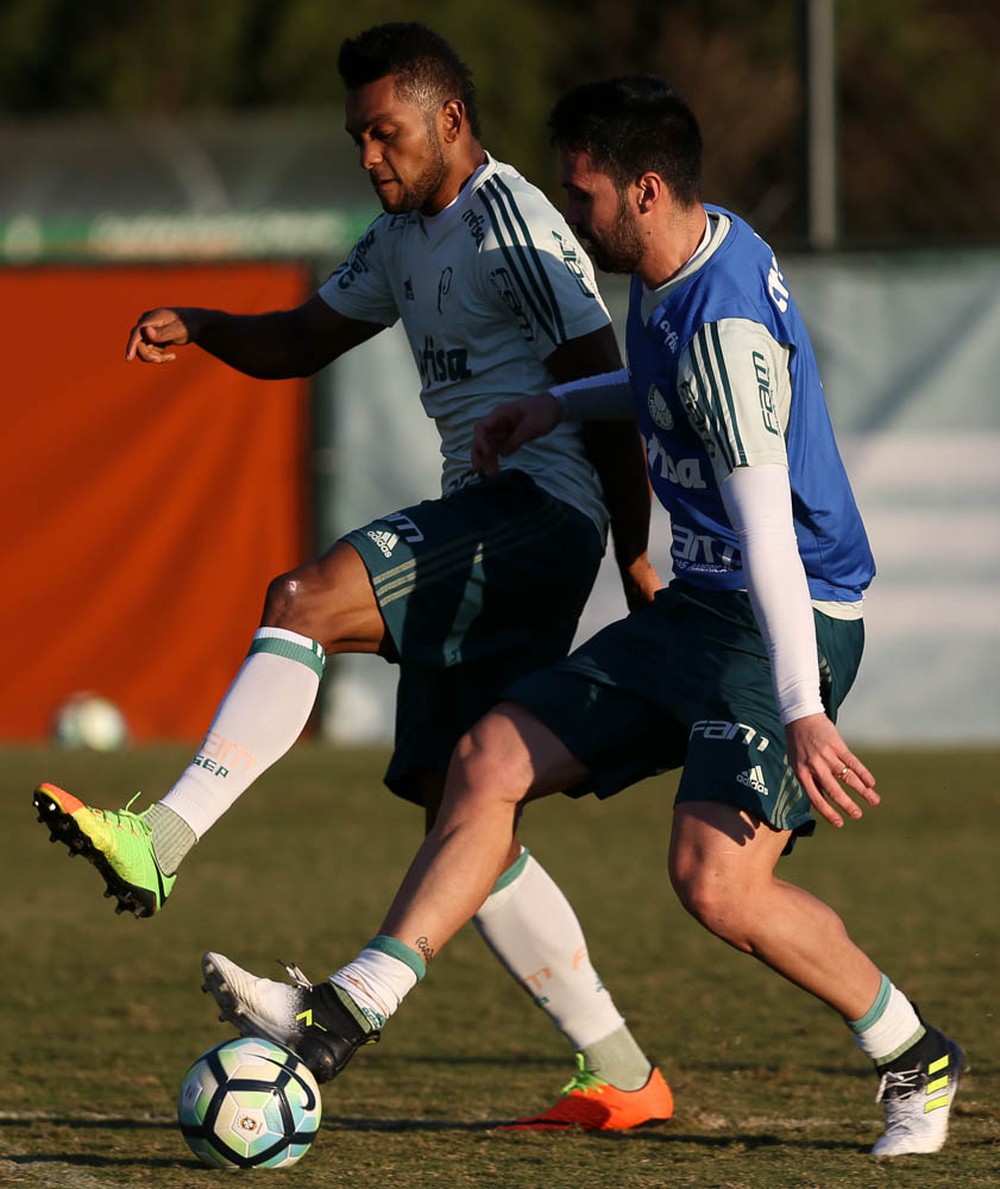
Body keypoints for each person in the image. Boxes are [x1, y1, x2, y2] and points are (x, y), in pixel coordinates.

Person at [200, 76, 964, 1157]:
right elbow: (657, 385)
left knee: (716, 884)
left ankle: (914, 1054)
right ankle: (341, 1016)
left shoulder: (721, 329)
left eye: (583, 193)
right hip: (699, 610)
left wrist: (799, 705)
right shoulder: (686, 255)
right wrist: (557, 402)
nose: (570, 213)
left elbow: (768, 535)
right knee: (486, 757)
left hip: (772, 622)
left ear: (644, 191)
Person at [32, 31, 674, 1132]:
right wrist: (205, 323)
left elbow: (598, 387)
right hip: (502, 526)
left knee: (303, 600)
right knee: (462, 815)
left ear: (450, 122)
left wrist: (631, 552)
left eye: (387, 131)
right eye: (357, 137)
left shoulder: (514, 221)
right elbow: (303, 338)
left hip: (536, 516)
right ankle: (621, 1072)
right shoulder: (395, 236)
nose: (370, 155)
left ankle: (163, 840)